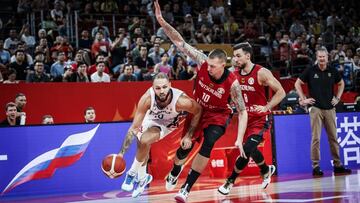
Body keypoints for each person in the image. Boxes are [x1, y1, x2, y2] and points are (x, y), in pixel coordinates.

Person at [154, 1, 248, 202]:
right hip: (197, 110)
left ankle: (186, 189)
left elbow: (242, 111)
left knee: (209, 143)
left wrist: (239, 138)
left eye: (215, 66)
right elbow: (179, 42)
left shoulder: (232, 84)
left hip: (218, 115)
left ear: (224, 65)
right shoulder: (202, 61)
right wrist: (162, 22)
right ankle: (177, 168)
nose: (210, 68)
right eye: (210, 65)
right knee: (184, 147)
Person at [118, 72, 202, 198]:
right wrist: (121, 153)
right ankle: (143, 178)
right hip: (150, 118)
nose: (161, 91)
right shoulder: (147, 98)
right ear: (153, 88)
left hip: (166, 124)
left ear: (170, 85)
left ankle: (132, 173)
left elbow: (198, 110)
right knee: (140, 141)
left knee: (145, 140)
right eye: (157, 88)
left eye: (164, 87)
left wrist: (189, 134)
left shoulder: (180, 101)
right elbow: (133, 128)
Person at [217, 42, 286, 195]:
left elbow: (281, 92)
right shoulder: (233, 73)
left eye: (238, 56)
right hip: (244, 119)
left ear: (248, 56)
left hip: (260, 119)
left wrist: (267, 107)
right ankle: (266, 169)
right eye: (234, 56)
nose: (235, 59)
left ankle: (229, 182)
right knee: (251, 148)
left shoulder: (261, 72)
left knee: (247, 149)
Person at [294, 46, 352, 176]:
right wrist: (303, 99)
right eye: (319, 57)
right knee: (316, 139)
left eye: (323, 57)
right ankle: (316, 167)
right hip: (315, 109)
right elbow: (297, 83)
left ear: (327, 57)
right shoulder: (310, 70)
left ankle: (337, 165)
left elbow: (341, 83)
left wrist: (338, 98)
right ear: (317, 57)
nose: (321, 59)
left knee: (334, 138)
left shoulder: (332, 70)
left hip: (330, 109)